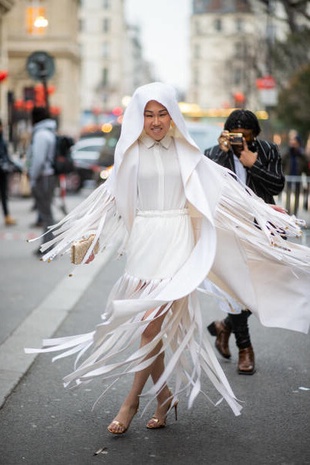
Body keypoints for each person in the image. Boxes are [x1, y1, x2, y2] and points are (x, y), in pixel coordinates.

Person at [26, 83, 310, 436]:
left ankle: (130, 402)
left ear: (172, 115)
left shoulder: (187, 152)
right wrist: (90, 237)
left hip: (177, 241)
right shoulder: (129, 154)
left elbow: (224, 190)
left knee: (149, 324)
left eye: (162, 114)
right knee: (152, 329)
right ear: (139, 117)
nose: (156, 122)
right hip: (145, 243)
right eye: (149, 114)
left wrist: (265, 212)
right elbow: (110, 200)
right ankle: (164, 397)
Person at [204, 109, 285, 375]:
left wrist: (253, 163)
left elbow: (277, 186)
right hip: (228, 231)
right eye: (235, 134)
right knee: (235, 291)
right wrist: (222, 153)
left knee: (264, 289)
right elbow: (205, 190)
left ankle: (224, 326)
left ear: (255, 134)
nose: (241, 139)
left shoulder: (267, 150)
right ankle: (245, 349)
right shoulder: (214, 153)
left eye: (246, 135)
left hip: (262, 230)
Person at [28, 107, 57, 255]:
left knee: (46, 214)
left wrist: (32, 177)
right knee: (47, 213)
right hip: (49, 176)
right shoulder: (49, 132)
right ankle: (48, 245)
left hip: (43, 177)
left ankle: (48, 247)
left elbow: (38, 160)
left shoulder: (41, 134)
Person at [282, 131, 309, 215]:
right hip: (288, 179)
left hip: (298, 179)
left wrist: (308, 180)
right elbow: (282, 164)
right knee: (288, 198)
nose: (293, 144)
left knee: (297, 198)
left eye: (295, 143)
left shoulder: (302, 155)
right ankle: (287, 214)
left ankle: (295, 214)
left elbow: (306, 168)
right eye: (292, 142)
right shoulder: (287, 154)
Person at [0, 118, 17, 226]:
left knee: (4, 194)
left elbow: (5, 154)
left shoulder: (2, 139)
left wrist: (9, 163)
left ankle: (7, 216)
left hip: (3, 171)